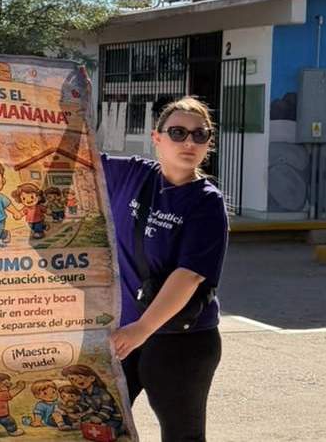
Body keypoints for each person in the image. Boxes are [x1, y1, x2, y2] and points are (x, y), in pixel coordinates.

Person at [103, 96, 228, 442]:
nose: (189, 142)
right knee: (96, 423)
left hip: (181, 341)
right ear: (156, 138)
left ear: (208, 144)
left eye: (199, 135)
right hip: (127, 334)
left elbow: (188, 276)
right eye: (177, 132)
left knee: (182, 436)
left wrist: (142, 328)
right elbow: (74, 157)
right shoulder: (129, 174)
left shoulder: (206, 201)